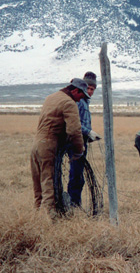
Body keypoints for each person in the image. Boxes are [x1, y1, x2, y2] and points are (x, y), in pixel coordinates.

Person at [30, 78, 89, 218]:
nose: (80, 100)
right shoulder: (69, 103)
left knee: (38, 185)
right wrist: (79, 151)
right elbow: (74, 130)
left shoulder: (52, 97)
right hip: (49, 146)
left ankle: (35, 218)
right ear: (75, 91)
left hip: (36, 145)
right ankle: (49, 220)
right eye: (81, 96)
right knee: (49, 184)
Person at [67, 72, 101, 207]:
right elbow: (74, 123)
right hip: (75, 141)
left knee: (78, 175)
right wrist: (88, 132)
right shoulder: (79, 101)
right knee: (76, 175)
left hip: (82, 140)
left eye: (93, 89)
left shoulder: (85, 102)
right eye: (88, 88)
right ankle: (73, 205)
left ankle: (75, 203)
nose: (90, 91)